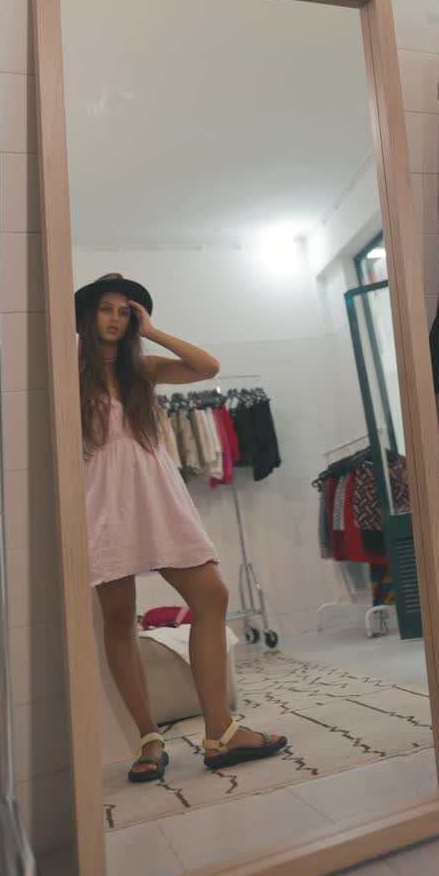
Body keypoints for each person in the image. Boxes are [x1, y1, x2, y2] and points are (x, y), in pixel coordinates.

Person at [75, 272, 287, 783]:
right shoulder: (67, 376)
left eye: (125, 312)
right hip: (100, 503)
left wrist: (151, 331)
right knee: (120, 616)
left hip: (157, 496)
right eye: (106, 308)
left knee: (210, 596)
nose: (115, 318)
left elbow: (206, 366)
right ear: (86, 316)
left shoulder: (142, 370)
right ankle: (149, 740)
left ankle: (220, 731)